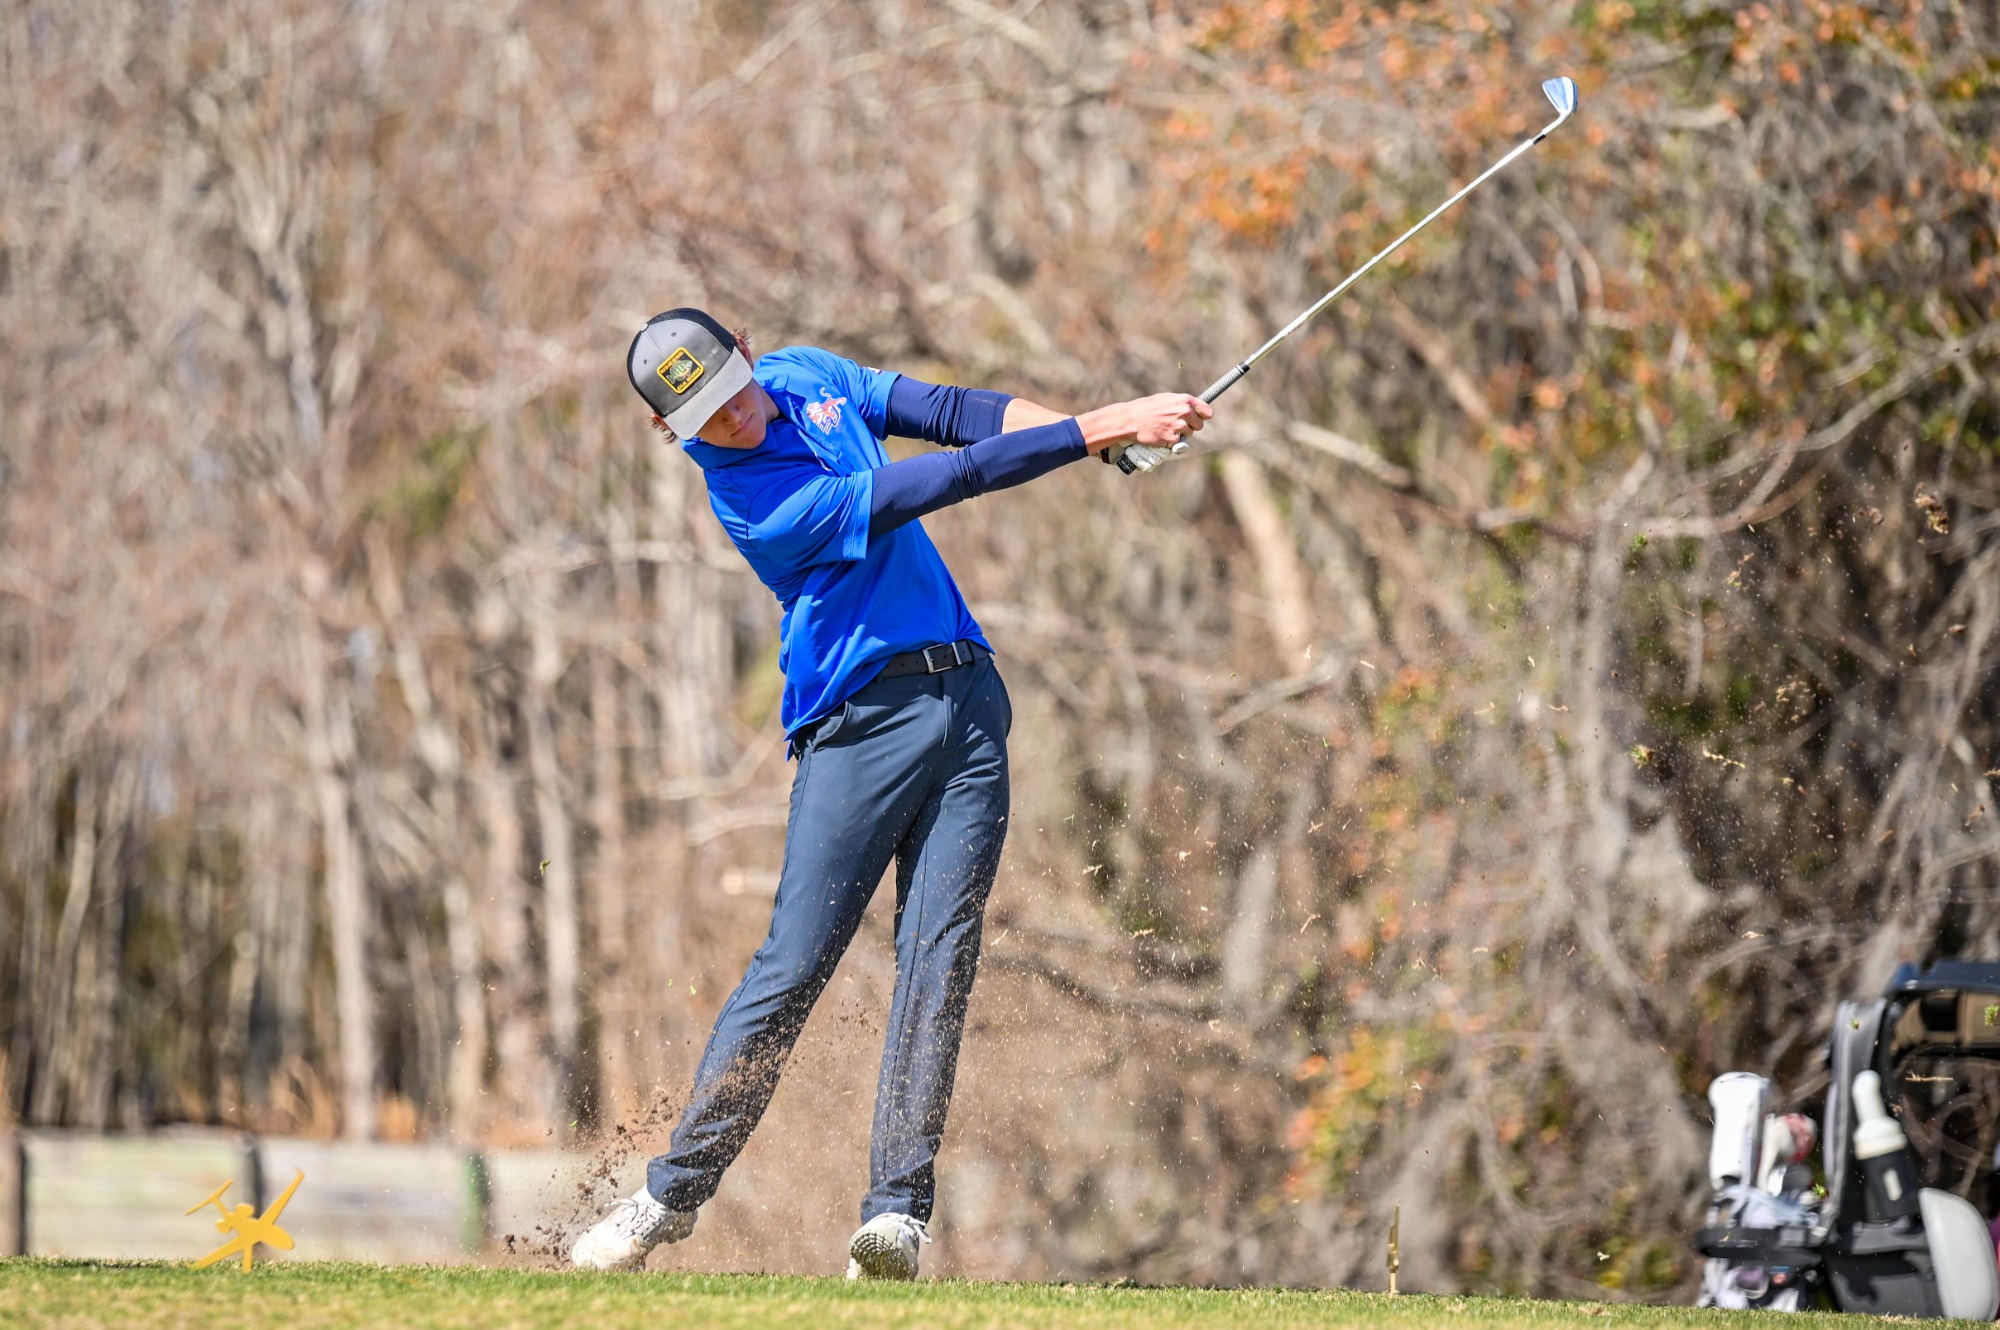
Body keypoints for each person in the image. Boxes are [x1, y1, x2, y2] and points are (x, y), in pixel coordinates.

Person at [568, 308, 1210, 1278]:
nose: (733, 416)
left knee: (939, 954)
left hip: (968, 699)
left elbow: (954, 415)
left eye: (732, 389)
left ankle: (895, 1216)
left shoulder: (801, 373)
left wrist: (1093, 438)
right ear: (674, 432)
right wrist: (1095, 427)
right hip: (858, 722)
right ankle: (670, 1194)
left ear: (745, 350)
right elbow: (935, 480)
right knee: (793, 965)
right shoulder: (751, 500)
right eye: (704, 416)